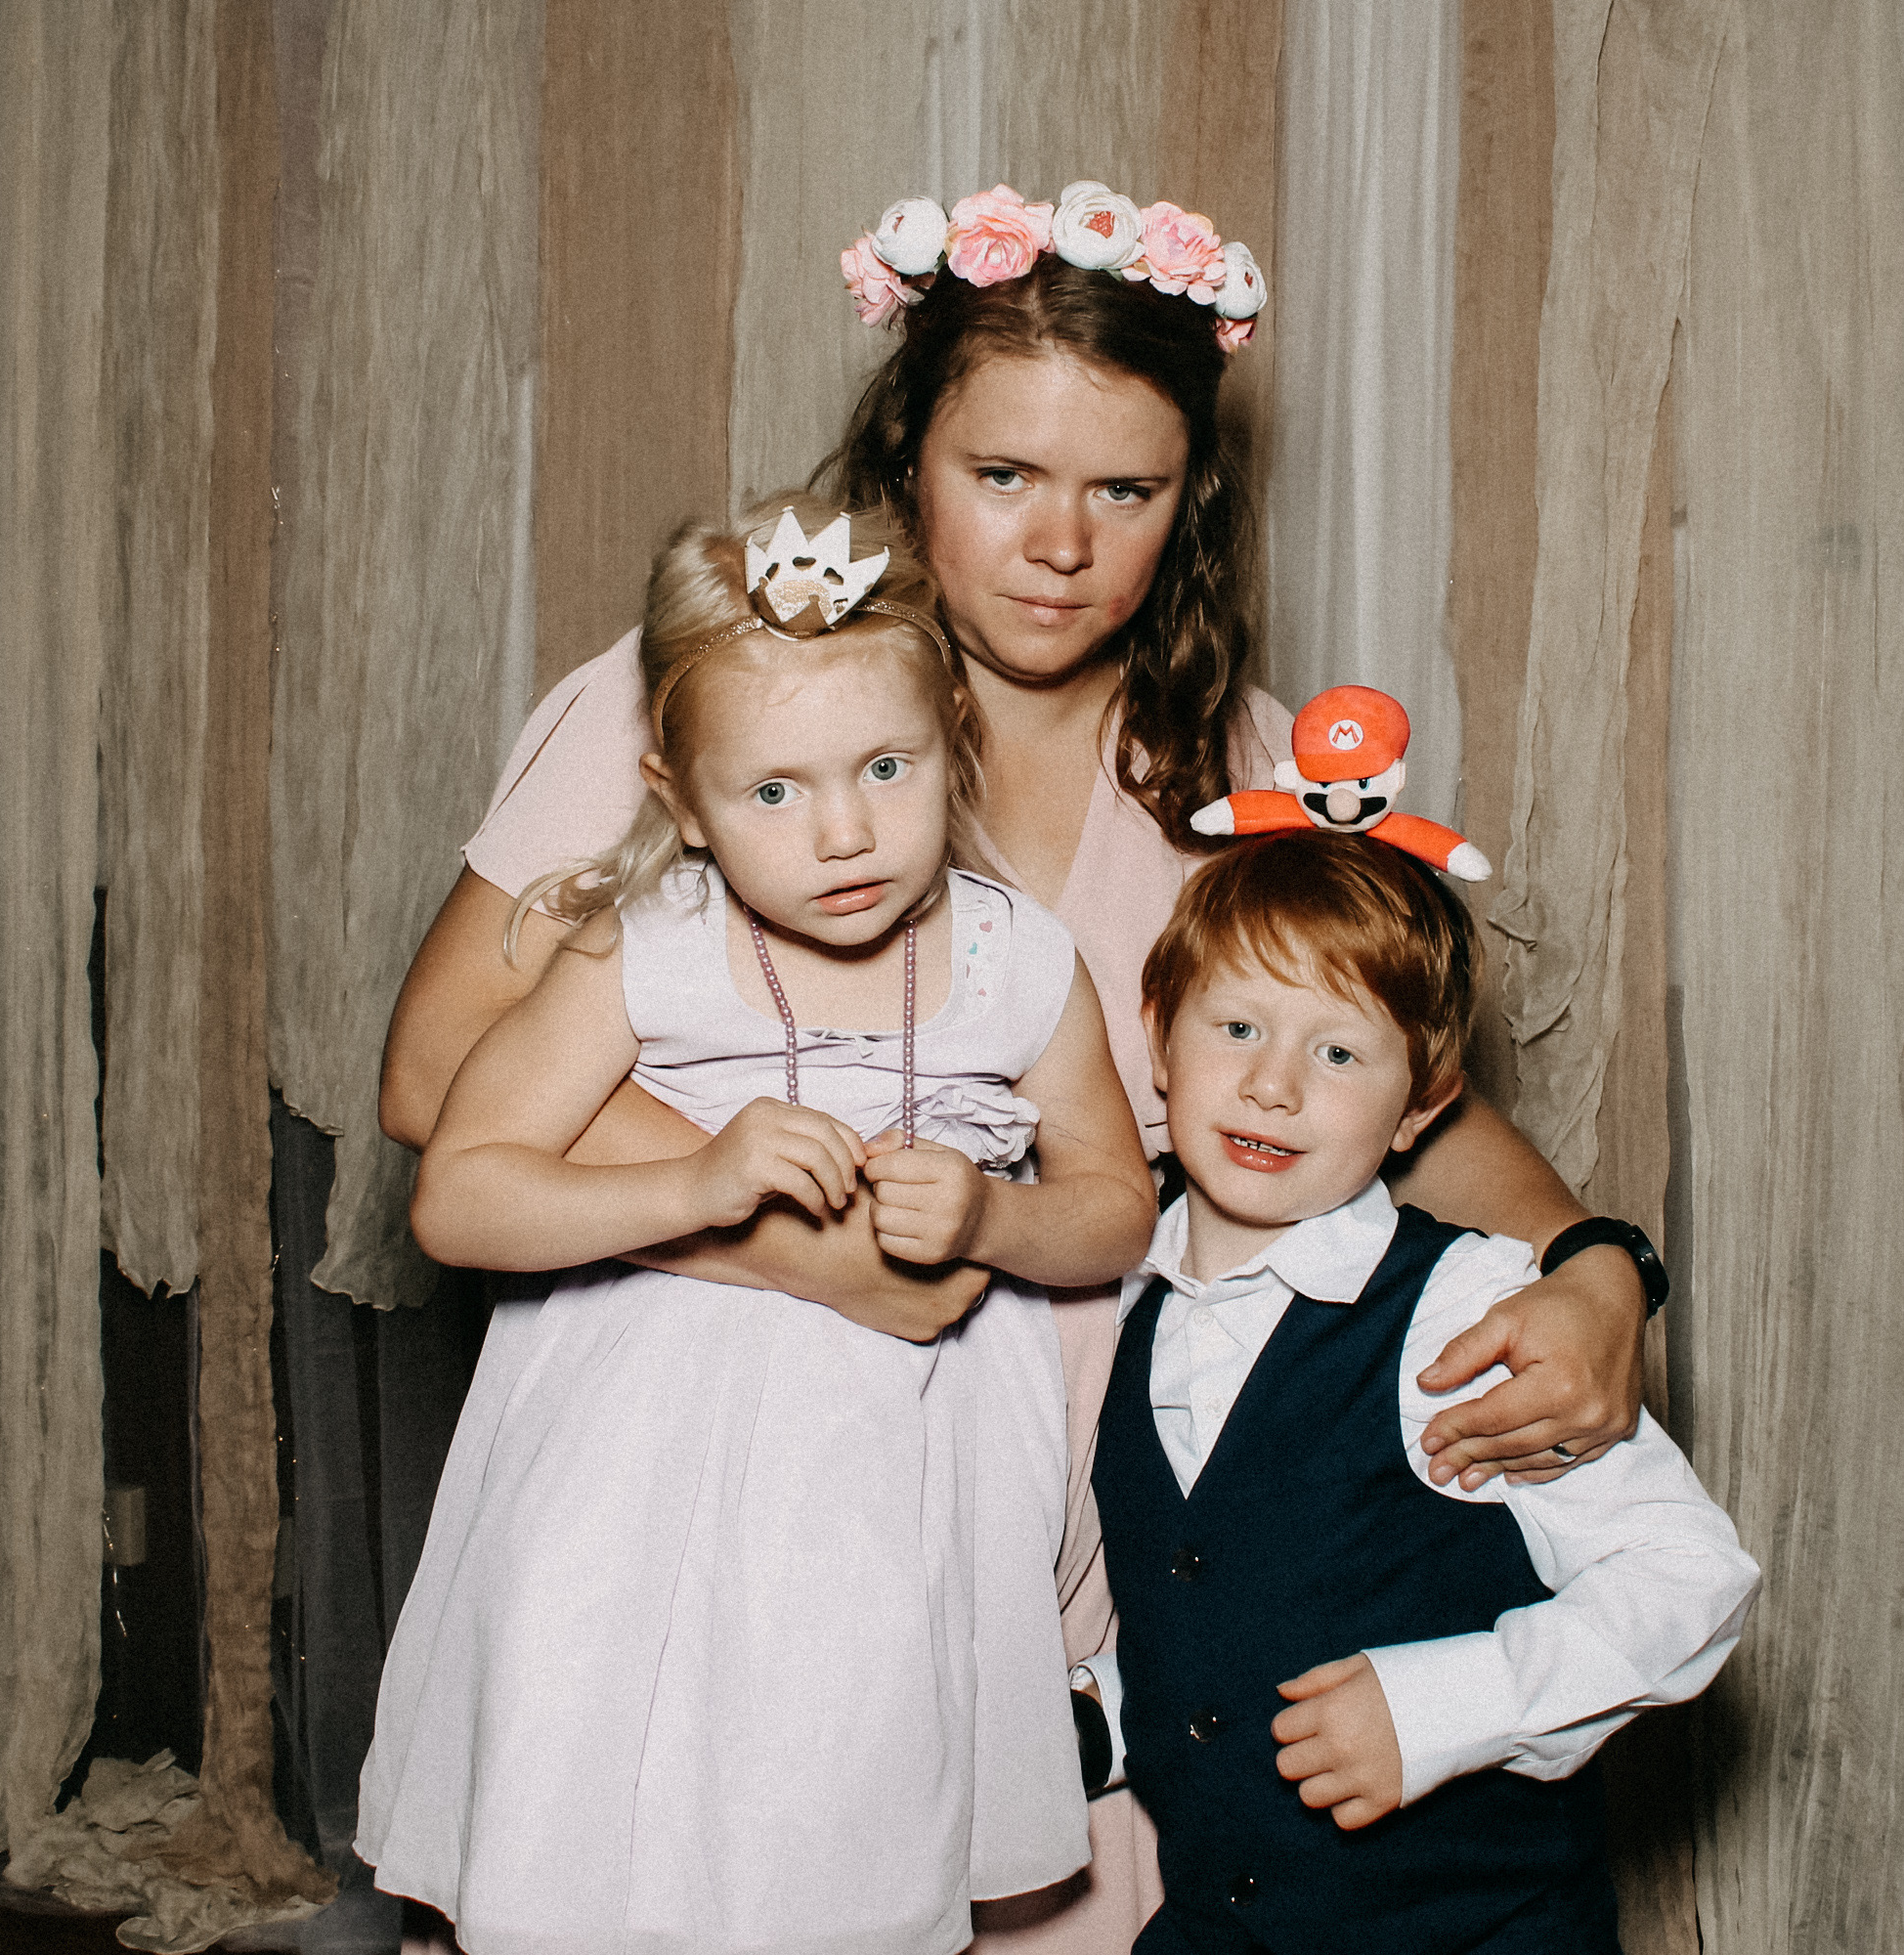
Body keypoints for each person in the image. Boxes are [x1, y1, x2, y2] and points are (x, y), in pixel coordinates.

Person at [378, 183, 1657, 1949]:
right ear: (906, 455)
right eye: (1002, 475)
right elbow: (440, 1074)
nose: (1059, 545)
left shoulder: (1242, 765)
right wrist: (807, 1249)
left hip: (1082, 1547)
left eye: (1124, 491)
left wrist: (1596, 1268)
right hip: (730, 1511)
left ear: (1193, 498)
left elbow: (1397, 1103)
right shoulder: (728, 690)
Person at [357, 496, 1159, 1955]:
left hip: (897, 1498)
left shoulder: (1019, 964)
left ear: (955, 743)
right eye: (773, 791)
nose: (843, 832)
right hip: (633, 1483)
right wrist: (697, 1185)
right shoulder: (641, 952)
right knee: (604, 1811)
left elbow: (1114, 1211)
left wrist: (995, 1214)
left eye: (886, 768)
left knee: (841, 1829)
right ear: (679, 798)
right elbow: (459, 1193)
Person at [1087, 827, 1758, 1953]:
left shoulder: (1461, 1310)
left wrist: (1445, 1705)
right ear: (1157, 1035)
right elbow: (1221, 1600)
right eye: (1237, 1027)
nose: (1271, 1085)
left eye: (1338, 1053)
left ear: (1420, 1106)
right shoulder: (1113, 1300)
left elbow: (1688, 1577)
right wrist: (1100, 1713)